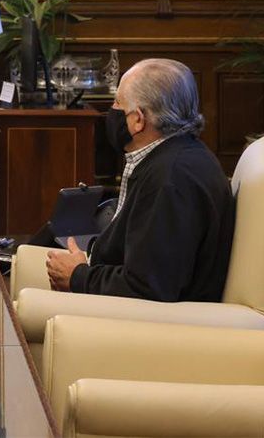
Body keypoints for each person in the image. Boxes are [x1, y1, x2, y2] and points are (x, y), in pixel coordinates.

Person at [46, 58, 235, 301]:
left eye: (117, 102)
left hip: (149, 325)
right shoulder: (174, 157)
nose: (111, 111)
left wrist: (78, 276)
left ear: (137, 119)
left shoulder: (171, 178)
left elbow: (147, 287)